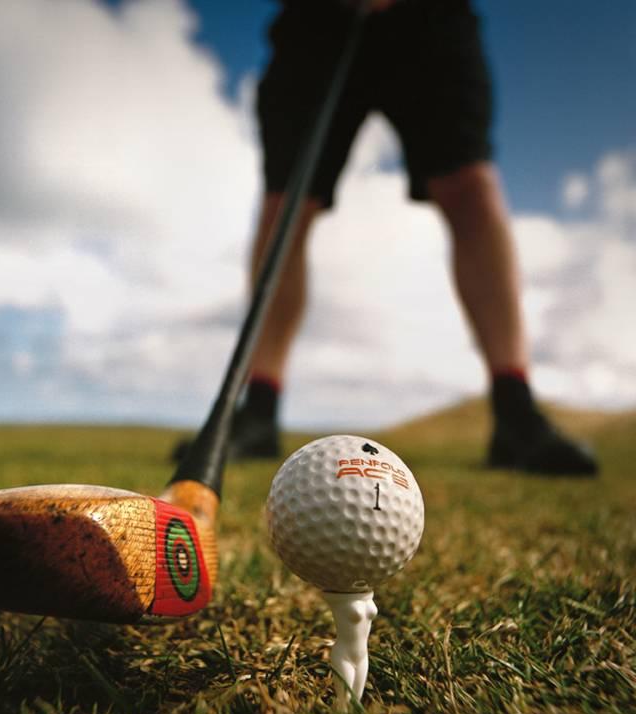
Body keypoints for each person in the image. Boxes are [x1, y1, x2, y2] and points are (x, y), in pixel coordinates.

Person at [185, 0, 598, 475]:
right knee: (286, 206)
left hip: (433, 22)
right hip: (313, 21)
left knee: (470, 185)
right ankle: (258, 411)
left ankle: (515, 411)